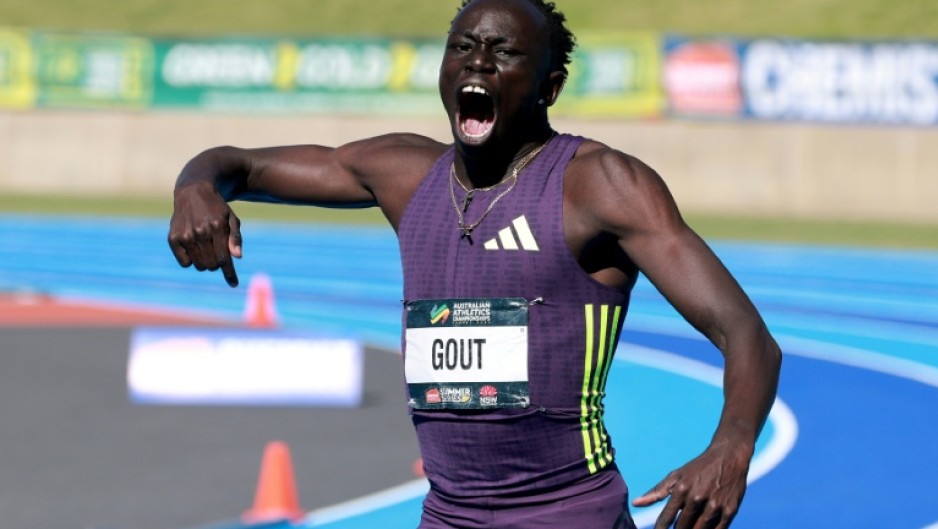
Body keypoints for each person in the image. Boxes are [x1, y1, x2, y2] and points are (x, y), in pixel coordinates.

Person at [168, 0, 782, 527]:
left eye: (504, 52)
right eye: (462, 46)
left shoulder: (598, 185)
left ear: (549, 86)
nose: (478, 62)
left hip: (568, 511)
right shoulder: (405, 175)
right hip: (448, 513)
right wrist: (196, 183)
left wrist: (731, 447)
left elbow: (746, 334)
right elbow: (238, 165)